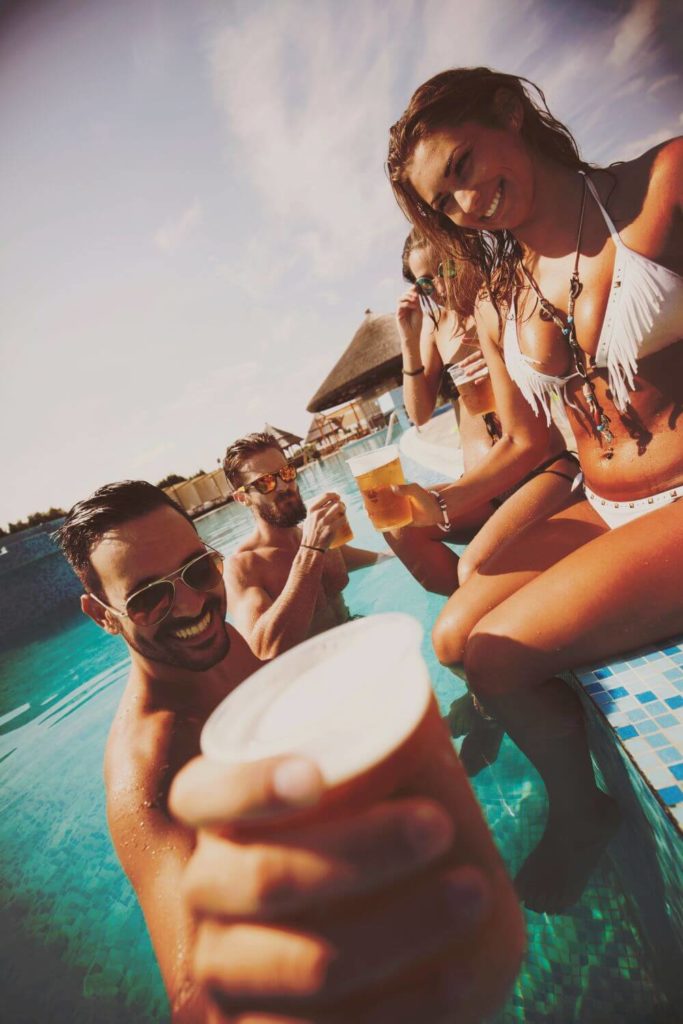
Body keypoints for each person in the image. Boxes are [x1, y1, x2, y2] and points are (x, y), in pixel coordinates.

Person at [56, 479, 525, 1023]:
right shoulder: (149, 772)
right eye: (148, 598)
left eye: (197, 571)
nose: (190, 604)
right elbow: (197, 996)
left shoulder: (222, 644)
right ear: (103, 615)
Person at [386, 66, 682, 913]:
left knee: (500, 658)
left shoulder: (657, 189)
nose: (467, 204)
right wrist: (431, 508)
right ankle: (581, 792)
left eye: (465, 166)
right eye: (446, 202)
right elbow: (527, 445)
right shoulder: (502, 292)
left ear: (509, 115)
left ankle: (578, 809)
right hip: (606, 504)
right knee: (451, 637)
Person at [391, 229, 580, 597]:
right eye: (427, 282)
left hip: (537, 469)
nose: (442, 287)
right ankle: (472, 610)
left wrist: (501, 358)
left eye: (446, 269)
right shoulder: (437, 325)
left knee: (474, 570)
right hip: (478, 486)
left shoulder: (501, 298)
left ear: (463, 253)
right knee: (399, 524)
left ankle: (485, 602)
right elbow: (419, 414)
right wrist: (408, 342)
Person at [222, 431, 383, 660]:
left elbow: (359, 559)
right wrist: (311, 551)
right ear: (243, 498)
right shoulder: (243, 567)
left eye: (286, 473)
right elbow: (262, 649)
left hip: (355, 641)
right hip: (313, 676)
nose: (282, 486)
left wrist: (397, 543)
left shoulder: (313, 535)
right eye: (265, 482)